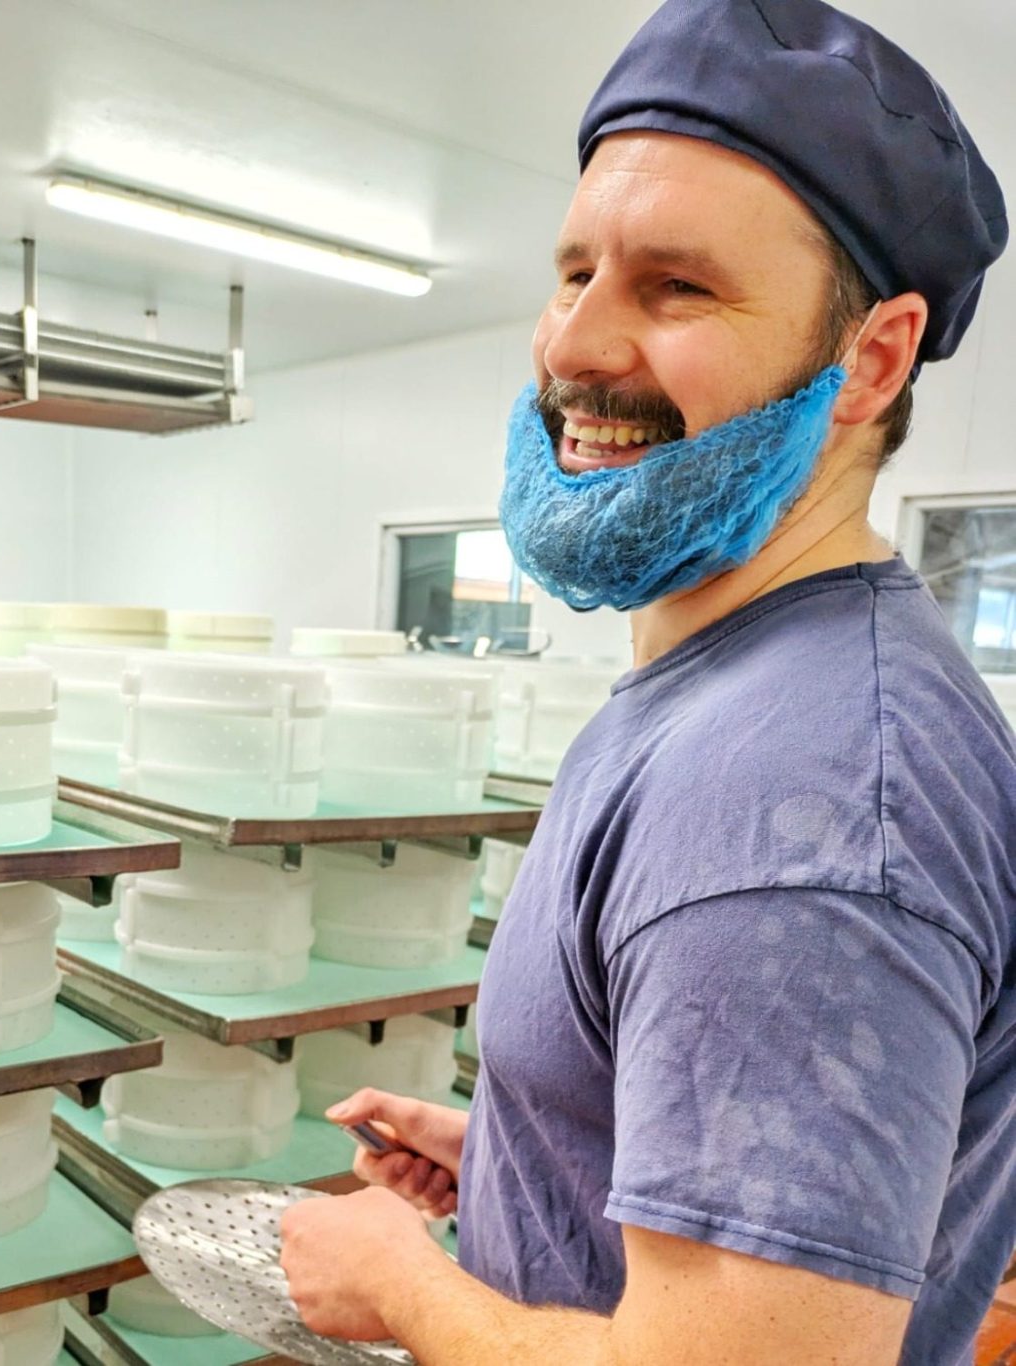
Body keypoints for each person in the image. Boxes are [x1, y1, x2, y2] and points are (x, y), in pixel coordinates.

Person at [279, 1, 1014, 1361]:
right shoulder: (731, 688)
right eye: (573, 273)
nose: (571, 348)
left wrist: (400, 1284)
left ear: (868, 358)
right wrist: (534, 1156)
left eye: (675, 287)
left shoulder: (803, 790)